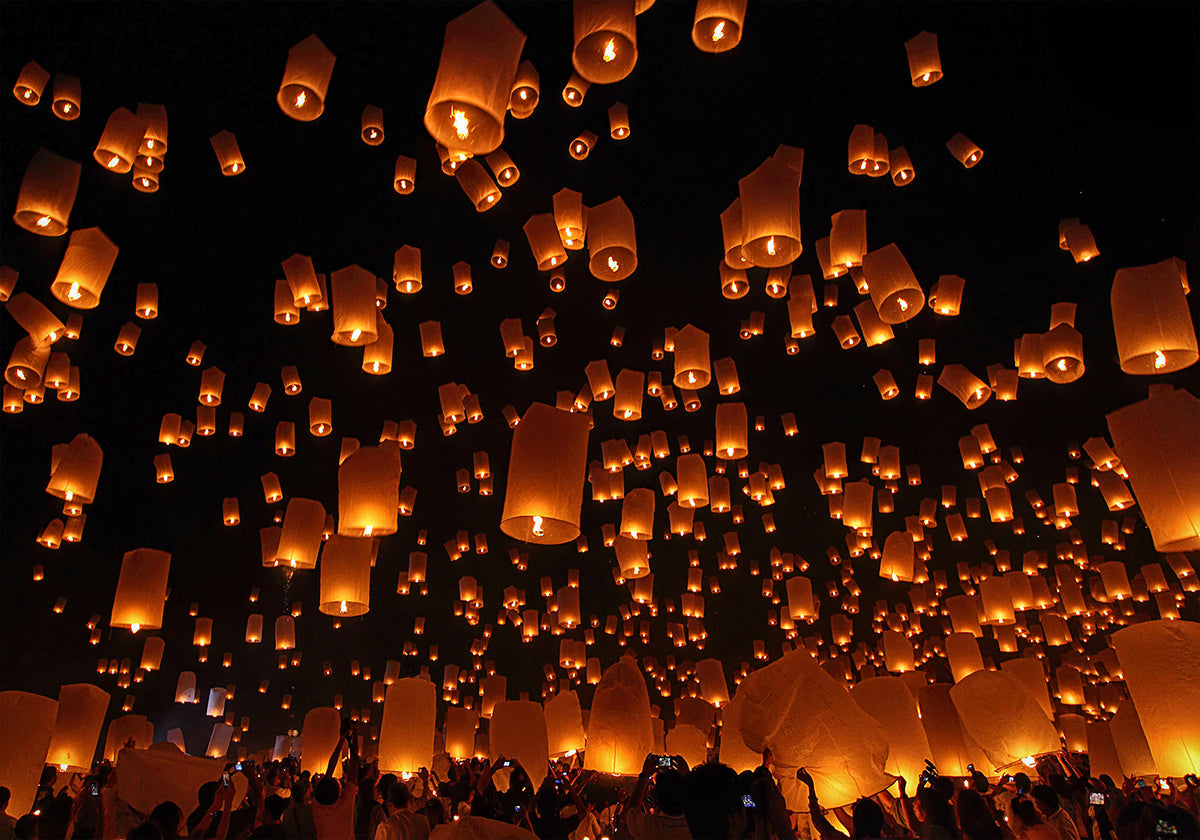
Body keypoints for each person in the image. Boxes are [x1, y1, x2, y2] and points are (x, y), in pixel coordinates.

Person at [311, 720, 359, 840]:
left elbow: (353, 766)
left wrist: (342, 739)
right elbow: (353, 765)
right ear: (339, 792)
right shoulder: (345, 804)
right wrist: (353, 737)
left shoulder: (317, 808)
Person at [622, 755, 691, 840]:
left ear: (656, 799)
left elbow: (629, 813)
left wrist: (644, 776)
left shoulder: (649, 828)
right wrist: (689, 777)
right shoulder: (696, 826)